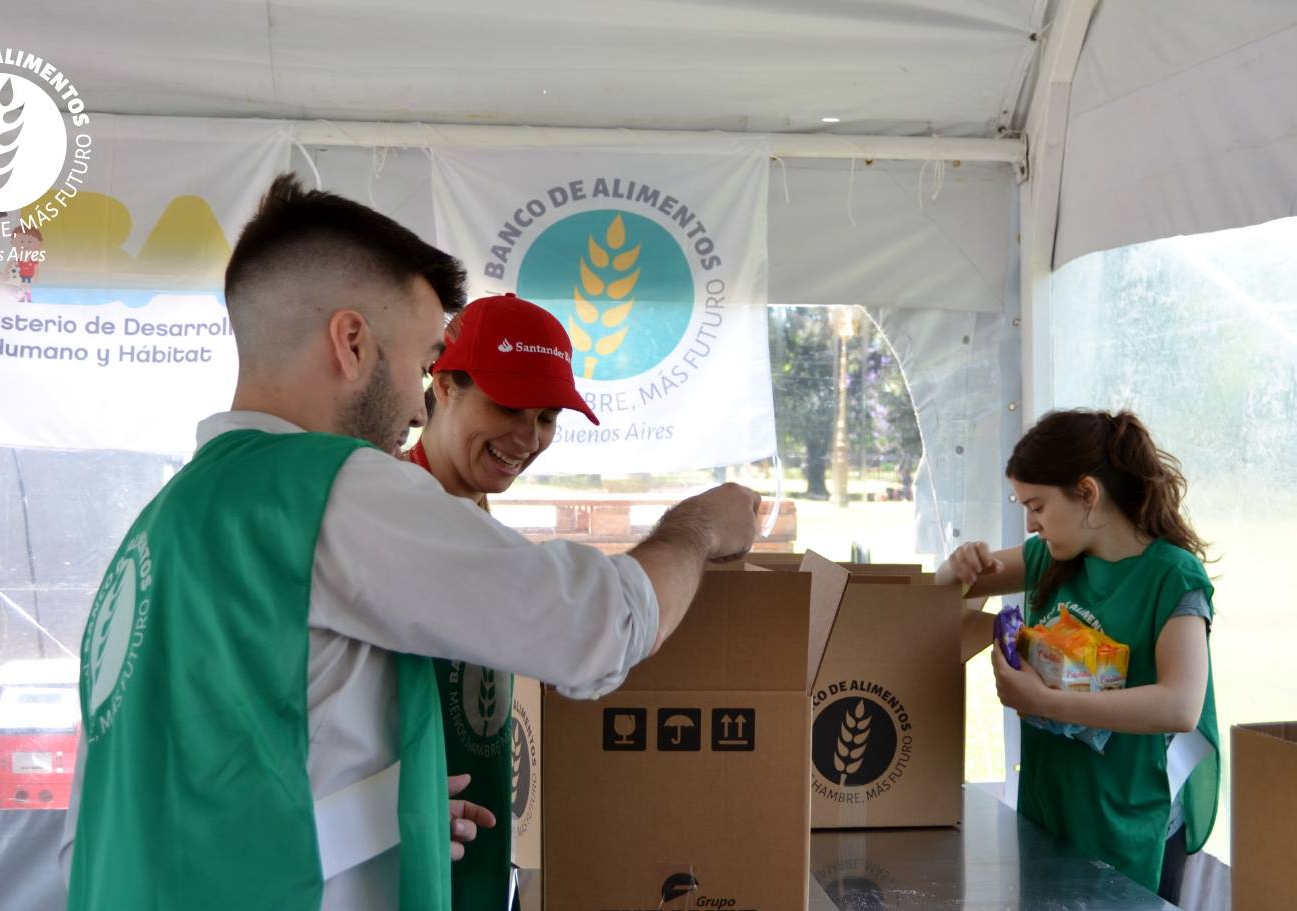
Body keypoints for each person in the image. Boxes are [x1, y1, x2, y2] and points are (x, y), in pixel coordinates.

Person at [60, 175, 761, 911]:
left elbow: (156, 805)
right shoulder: (332, 490)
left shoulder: (163, 524)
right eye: (422, 360)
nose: (416, 397)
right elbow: (598, 628)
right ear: (353, 341)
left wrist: (386, 809)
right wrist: (699, 526)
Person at [936, 409, 1218, 903]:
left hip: (1129, 818)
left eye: (1038, 505)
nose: (1029, 522)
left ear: (1087, 493)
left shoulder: (1172, 577)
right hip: (1053, 809)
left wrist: (1043, 701)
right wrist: (956, 568)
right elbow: (941, 602)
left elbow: (1179, 705)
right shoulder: (1048, 558)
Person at [404, 292, 601, 911]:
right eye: (509, 406)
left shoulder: (482, 522)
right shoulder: (387, 516)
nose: (528, 437)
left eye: (547, 417)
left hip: (484, 869)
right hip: (400, 868)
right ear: (443, 385)